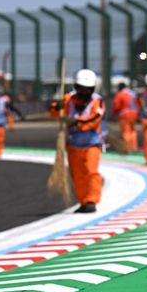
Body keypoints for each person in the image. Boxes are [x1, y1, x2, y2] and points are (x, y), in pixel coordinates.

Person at [49, 69, 105, 213]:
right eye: (81, 89)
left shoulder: (97, 101)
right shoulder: (69, 98)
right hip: (73, 144)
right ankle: (83, 201)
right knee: (77, 174)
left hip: (91, 143)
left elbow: (94, 119)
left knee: (91, 172)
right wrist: (57, 107)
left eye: (87, 90)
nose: (84, 93)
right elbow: (54, 111)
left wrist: (77, 122)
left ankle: (92, 199)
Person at [111, 81, 139, 152]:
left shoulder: (120, 94)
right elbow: (138, 103)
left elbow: (116, 106)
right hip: (134, 114)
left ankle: (127, 147)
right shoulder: (132, 93)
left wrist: (114, 113)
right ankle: (134, 147)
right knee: (132, 131)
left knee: (126, 132)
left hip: (124, 115)